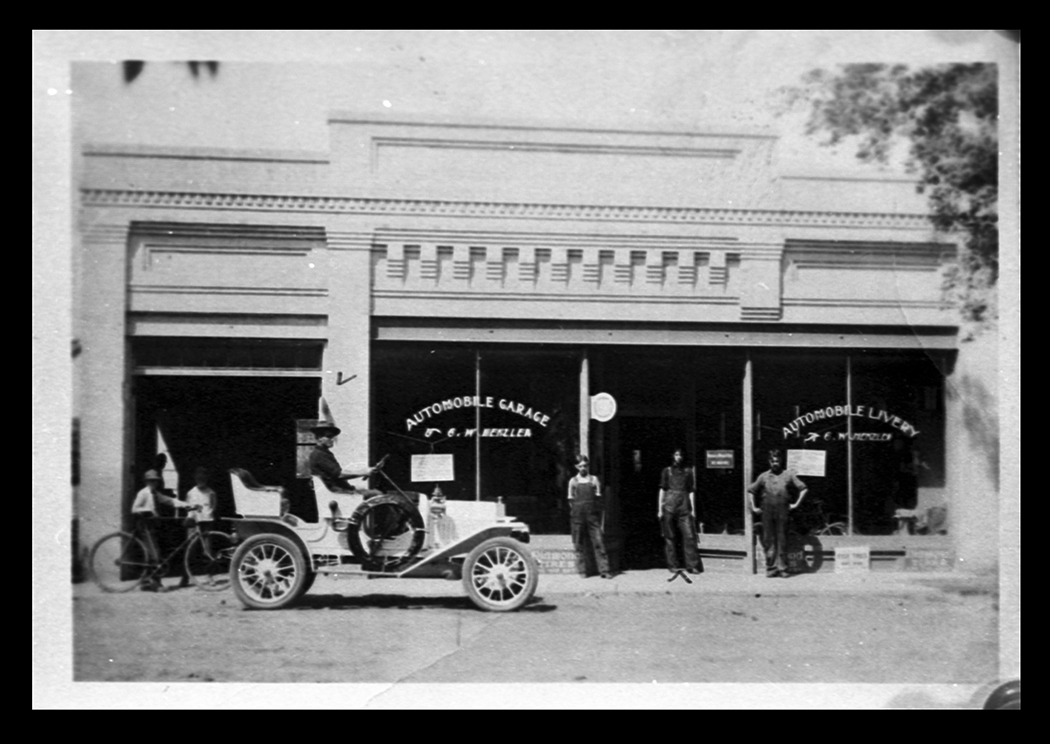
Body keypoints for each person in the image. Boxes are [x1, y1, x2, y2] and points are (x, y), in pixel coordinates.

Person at [748, 449, 808, 578]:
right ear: (769, 462)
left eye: (777, 460)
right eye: (773, 461)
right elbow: (751, 490)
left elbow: (803, 488)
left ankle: (783, 568)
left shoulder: (788, 475)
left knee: (782, 539)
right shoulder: (763, 476)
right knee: (768, 540)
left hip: (783, 511)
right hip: (767, 512)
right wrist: (754, 507)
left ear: (781, 461)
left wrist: (796, 504)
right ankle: (771, 568)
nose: (775, 463)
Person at [130, 469, 193, 592]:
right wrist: (148, 510)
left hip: (153, 526)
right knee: (155, 554)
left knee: (158, 551)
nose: (154, 483)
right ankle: (156, 584)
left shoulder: (155, 493)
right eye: (151, 481)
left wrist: (186, 505)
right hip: (145, 526)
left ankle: (148, 582)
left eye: (156, 481)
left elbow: (169, 500)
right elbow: (134, 509)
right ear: (146, 481)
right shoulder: (143, 493)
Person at [567, 455, 612, 579]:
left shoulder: (594, 480)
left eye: (585, 465)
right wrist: (576, 512)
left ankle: (604, 570)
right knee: (578, 543)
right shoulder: (573, 481)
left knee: (598, 541)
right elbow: (570, 500)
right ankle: (582, 571)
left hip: (592, 515)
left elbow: (598, 499)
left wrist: (596, 514)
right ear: (576, 467)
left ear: (588, 466)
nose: (583, 468)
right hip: (577, 516)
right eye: (580, 466)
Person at [658, 448, 702, 575]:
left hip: (684, 506)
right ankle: (673, 565)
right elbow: (662, 490)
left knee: (689, 535)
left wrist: (693, 509)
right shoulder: (667, 471)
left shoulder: (688, 472)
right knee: (669, 536)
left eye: (681, 455)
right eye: (676, 454)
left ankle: (692, 565)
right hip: (669, 506)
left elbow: (691, 491)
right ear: (672, 456)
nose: (679, 457)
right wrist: (659, 508)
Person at [308, 423, 376, 493]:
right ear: (319, 438)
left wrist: (363, 471)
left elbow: (338, 473)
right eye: (329, 436)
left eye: (333, 437)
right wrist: (363, 472)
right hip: (335, 492)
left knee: (370, 492)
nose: (332, 440)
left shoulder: (321, 453)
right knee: (376, 494)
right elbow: (340, 475)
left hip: (337, 489)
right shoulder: (320, 455)